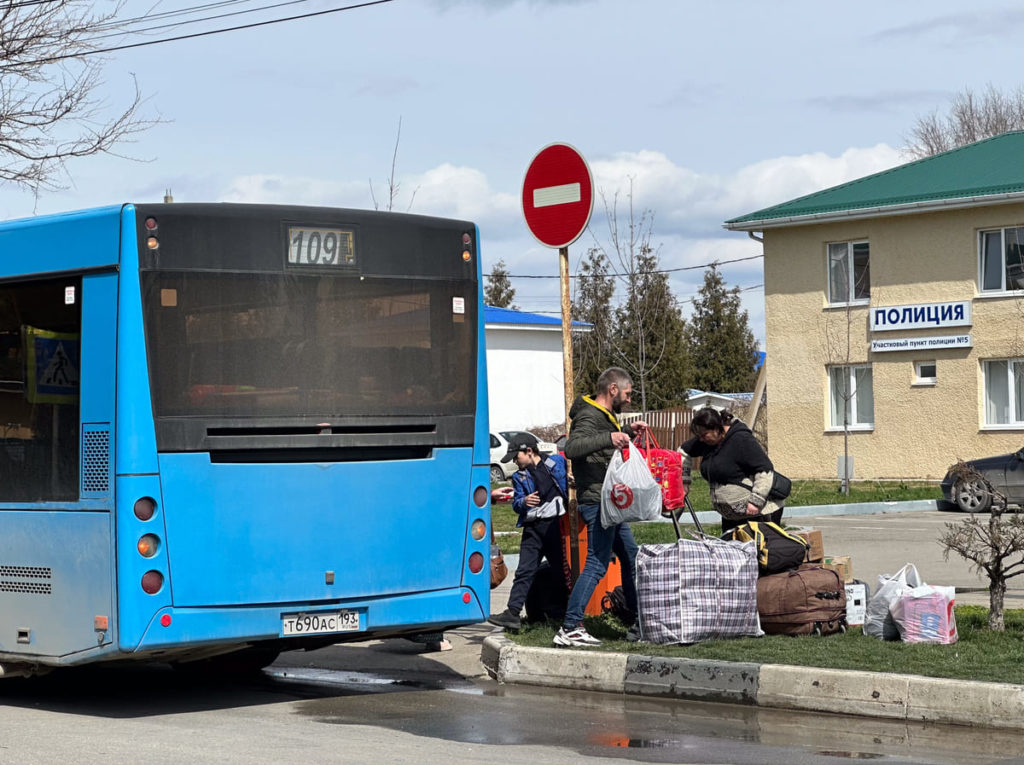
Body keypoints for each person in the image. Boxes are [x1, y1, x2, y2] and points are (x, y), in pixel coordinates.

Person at [555, 367, 648, 648]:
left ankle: (636, 622)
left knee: (631, 558)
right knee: (596, 562)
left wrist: (625, 432)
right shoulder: (588, 414)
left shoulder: (603, 417)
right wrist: (610, 438)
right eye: (628, 394)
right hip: (597, 502)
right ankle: (571, 626)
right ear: (613, 390)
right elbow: (572, 448)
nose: (629, 400)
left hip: (609, 502)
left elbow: (600, 446)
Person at [487, 435, 568, 631]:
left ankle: (569, 612)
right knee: (524, 570)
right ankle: (513, 613)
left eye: (517, 457)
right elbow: (516, 503)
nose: (515, 461)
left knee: (561, 571)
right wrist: (523, 502)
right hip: (533, 529)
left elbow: (567, 476)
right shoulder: (519, 476)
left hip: (555, 527)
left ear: (529, 452)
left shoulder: (556, 463)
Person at [679, 407, 783, 534]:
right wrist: (684, 481)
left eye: (704, 434)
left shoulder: (741, 439)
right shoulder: (707, 441)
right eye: (699, 436)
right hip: (731, 516)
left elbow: (765, 470)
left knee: (760, 552)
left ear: (717, 428)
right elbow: (683, 452)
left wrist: (756, 501)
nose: (701, 439)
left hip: (759, 514)